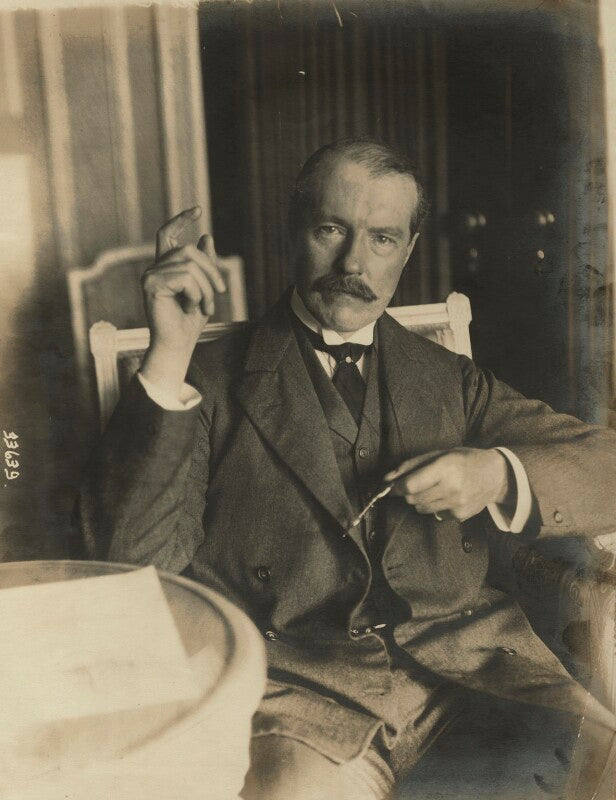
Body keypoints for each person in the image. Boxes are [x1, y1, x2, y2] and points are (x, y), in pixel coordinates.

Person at [78, 140, 616, 799]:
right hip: (299, 697)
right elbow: (131, 566)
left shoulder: (451, 379)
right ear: (293, 233)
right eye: (331, 230)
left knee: (599, 763)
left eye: (382, 239)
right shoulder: (204, 380)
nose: (353, 263)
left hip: (472, 681)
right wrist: (167, 356)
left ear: (408, 251)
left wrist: (498, 475)